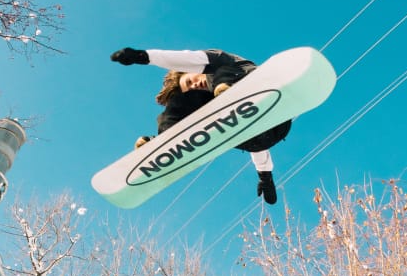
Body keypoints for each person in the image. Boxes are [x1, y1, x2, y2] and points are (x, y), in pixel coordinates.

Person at [110, 47, 291, 205]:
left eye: (191, 81)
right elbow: (249, 131)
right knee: (181, 102)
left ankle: (227, 94)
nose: (196, 85)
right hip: (257, 134)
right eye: (191, 87)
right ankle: (165, 142)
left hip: (264, 97)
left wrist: (144, 56)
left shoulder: (216, 60)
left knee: (219, 72)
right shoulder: (208, 102)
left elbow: (186, 58)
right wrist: (265, 177)